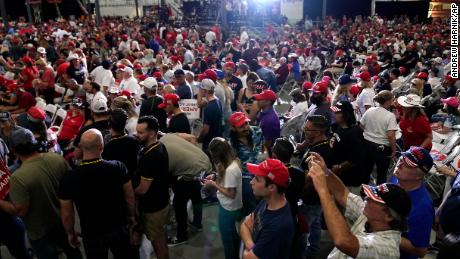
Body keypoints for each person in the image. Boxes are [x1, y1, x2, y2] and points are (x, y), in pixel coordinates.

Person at [307, 152, 412, 259]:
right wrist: (325, 171)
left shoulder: (387, 249)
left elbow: (343, 241)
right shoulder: (371, 215)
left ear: (388, 216)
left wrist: (323, 190)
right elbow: (343, 193)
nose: (366, 198)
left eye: (373, 199)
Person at [59, 129, 136, 259]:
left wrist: (70, 233)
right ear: (102, 146)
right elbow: (129, 197)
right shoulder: (118, 167)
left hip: (91, 233)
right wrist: (132, 216)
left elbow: (67, 213)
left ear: (81, 147)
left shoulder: (69, 178)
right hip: (118, 227)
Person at [7, 128, 82, 259]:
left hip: (39, 231)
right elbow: (73, 188)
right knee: (73, 252)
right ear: (34, 142)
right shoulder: (57, 159)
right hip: (64, 220)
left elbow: (20, 211)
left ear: (14, 150)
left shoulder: (17, 177)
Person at [159, 133, 212, 245]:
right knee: (195, 195)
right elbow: (193, 137)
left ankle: (182, 236)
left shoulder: (160, 152)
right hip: (204, 161)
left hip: (189, 170)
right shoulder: (169, 135)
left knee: (179, 204)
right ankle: (197, 224)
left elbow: (166, 178)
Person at [240, 159, 294, 259]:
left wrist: (248, 243)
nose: (251, 182)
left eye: (257, 179)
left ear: (271, 187)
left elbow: (246, 257)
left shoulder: (278, 226)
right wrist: (252, 245)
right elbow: (244, 224)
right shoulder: (267, 200)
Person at [135, 116, 171, 258]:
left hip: (154, 208)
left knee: (158, 242)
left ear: (152, 133)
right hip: (159, 202)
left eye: (140, 132)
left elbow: (143, 188)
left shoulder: (151, 156)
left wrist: (130, 194)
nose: (137, 135)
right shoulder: (159, 146)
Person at [389, 147, 435, 259]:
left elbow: (421, 250)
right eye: (401, 159)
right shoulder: (397, 179)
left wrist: (385, 232)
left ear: (419, 175)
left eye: (407, 165)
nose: (399, 165)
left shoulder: (422, 207)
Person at [205, 137, 243, 259]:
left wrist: (214, 185)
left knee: (227, 240)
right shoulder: (233, 161)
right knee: (233, 235)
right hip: (232, 206)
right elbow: (227, 179)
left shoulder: (231, 169)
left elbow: (231, 193)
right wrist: (215, 176)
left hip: (228, 208)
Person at [272, 137, 306, 259]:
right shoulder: (299, 173)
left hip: (274, 217)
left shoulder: (271, 174)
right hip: (293, 213)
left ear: (274, 156)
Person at [229, 112, 263, 216]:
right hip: (245, 175)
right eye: (241, 126)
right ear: (234, 128)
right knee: (250, 198)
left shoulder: (257, 131)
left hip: (260, 169)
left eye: (246, 124)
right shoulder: (231, 144)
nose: (246, 128)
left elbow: (263, 146)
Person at [361, 90, 398, 184]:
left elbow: (361, 126)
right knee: (381, 174)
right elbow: (390, 135)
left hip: (366, 145)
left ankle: (363, 192)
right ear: (388, 101)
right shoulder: (390, 116)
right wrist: (394, 150)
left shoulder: (370, 110)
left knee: (366, 172)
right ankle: (379, 195)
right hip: (381, 149)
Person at [330, 101, 366, 193]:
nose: (335, 114)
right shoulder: (338, 127)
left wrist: (339, 167)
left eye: (338, 112)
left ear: (346, 114)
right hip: (339, 177)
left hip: (350, 181)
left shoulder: (354, 133)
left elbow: (355, 159)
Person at [102, 108, 140, 182]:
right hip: (132, 180)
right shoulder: (134, 141)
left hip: (116, 183)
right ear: (125, 122)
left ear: (109, 124)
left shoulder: (108, 147)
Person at [198, 78, 223, 151]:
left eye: (200, 89)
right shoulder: (217, 101)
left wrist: (199, 139)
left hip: (210, 143)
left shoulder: (209, 107)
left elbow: (205, 130)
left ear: (205, 90)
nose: (199, 90)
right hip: (217, 139)